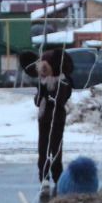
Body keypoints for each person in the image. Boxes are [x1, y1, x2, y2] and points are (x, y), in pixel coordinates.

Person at [34, 54, 72, 190]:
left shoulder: (63, 81)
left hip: (57, 119)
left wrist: (48, 94)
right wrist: (42, 89)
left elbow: (60, 99)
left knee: (56, 149)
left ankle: (58, 176)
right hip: (44, 119)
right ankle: (44, 176)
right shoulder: (42, 82)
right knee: (43, 148)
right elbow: (37, 101)